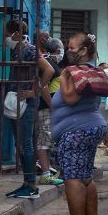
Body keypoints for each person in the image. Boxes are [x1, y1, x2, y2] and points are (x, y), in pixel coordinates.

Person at [51, 33, 108, 215]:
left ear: (84, 51)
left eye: (72, 48)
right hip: (91, 127)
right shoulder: (94, 71)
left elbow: (69, 98)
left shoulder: (72, 71)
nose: (68, 51)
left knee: (72, 177)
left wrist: (63, 77)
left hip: (76, 131)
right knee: (85, 176)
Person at [2, 19, 55, 199]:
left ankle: (31, 184)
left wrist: (35, 90)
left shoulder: (28, 49)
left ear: (16, 34)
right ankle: (26, 182)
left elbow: (48, 70)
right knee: (21, 143)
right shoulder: (17, 51)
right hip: (17, 101)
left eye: (7, 33)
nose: (5, 37)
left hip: (26, 102)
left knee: (25, 143)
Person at [37, 37, 64, 185]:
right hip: (46, 108)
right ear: (58, 50)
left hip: (50, 107)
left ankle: (48, 171)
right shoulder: (50, 65)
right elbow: (44, 87)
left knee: (47, 141)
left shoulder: (51, 63)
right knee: (44, 140)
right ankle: (46, 173)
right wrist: (52, 105)